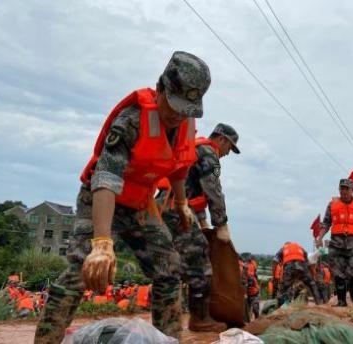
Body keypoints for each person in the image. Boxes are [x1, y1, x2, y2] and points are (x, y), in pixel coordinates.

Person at [34, 51, 211, 343]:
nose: (177, 114)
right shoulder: (131, 120)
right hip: (103, 200)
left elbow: (180, 166)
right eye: (174, 105)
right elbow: (106, 177)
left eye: (186, 108)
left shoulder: (186, 124)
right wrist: (102, 243)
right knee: (81, 269)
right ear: (161, 88)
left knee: (169, 268)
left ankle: (168, 339)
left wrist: (181, 203)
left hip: (141, 204)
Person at [157, 123, 240, 332]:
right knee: (200, 262)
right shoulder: (209, 154)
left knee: (170, 264)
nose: (227, 154)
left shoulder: (196, 148)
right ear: (221, 139)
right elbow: (212, 189)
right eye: (229, 148)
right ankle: (199, 318)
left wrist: (203, 221)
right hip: (175, 210)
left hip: (164, 206)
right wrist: (221, 223)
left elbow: (193, 191)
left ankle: (168, 319)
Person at [316, 179, 353, 306]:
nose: (344, 191)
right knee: (338, 273)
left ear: (352, 190)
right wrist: (320, 238)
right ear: (339, 190)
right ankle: (341, 301)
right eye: (342, 188)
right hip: (337, 244)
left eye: (347, 188)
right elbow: (326, 223)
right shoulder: (332, 205)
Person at [274, 242, 322, 307]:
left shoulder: (283, 248)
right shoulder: (299, 246)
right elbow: (307, 259)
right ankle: (319, 304)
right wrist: (310, 275)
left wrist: (273, 275)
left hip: (290, 267)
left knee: (283, 289)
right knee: (312, 284)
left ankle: (279, 308)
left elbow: (275, 260)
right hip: (302, 266)